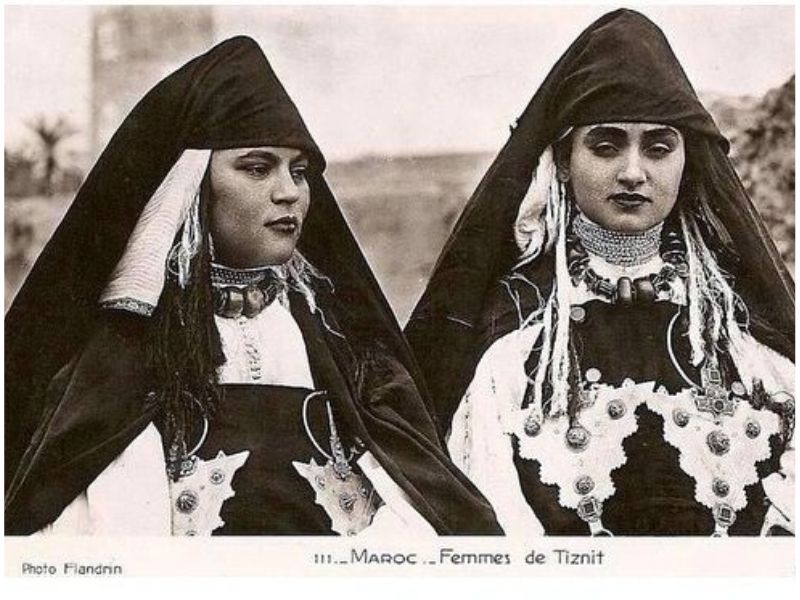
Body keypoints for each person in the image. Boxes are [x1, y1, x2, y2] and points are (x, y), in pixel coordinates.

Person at [4, 37, 501, 536]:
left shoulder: (346, 347)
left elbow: (428, 505)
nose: (289, 192)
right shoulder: (128, 355)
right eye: (258, 168)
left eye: (300, 172)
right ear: (193, 185)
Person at [405, 9, 794, 536]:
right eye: (606, 146)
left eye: (659, 148)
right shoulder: (512, 342)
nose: (633, 172)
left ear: (687, 163)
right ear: (565, 162)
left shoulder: (746, 333)